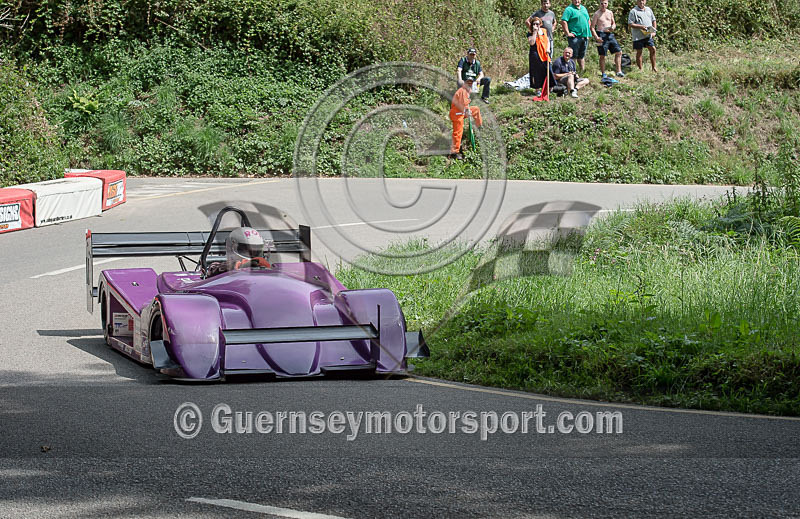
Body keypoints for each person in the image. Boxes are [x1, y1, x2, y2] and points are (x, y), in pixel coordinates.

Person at [449, 72, 483, 159]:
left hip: (462, 112)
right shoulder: (462, 91)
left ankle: (479, 127)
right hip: (456, 114)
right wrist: (467, 110)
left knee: (475, 109)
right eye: (468, 82)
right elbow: (463, 104)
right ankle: (454, 152)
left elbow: (466, 104)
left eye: (472, 82)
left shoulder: (468, 90)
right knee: (458, 132)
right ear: (465, 82)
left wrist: (467, 110)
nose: (470, 84)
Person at [590, 0, 624, 77]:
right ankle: (603, 73)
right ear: (599, 4)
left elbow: (613, 23)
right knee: (602, 55)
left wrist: (613, 27)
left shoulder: (610, 12)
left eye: (605, 3)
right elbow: (592, 27)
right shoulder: (597, 14)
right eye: (602, 3)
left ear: (607, 4)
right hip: (600, 34)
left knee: (619, 52)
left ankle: (619, 71)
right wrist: (596, 37)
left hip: (610, 34)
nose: (603, 5)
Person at [560, 0, 591, 72]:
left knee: (581, 56)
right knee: (573, 56)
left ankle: (582, 72)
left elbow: (588, 20)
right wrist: (567, 33)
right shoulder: (569, 9)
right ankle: (572, 72)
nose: (577, 1)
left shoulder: (583, 8)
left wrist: (588, 30)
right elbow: (563, 21)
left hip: (584, 36)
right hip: (575, 37)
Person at [628, 0, 657, 72]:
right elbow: (630, 24)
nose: (641, 2)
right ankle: (640, 69)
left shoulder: (648, 9)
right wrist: (641, 27)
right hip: (638, 36)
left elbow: (654, 20)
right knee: (639, 52)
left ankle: (654, 68)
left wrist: (654, 31)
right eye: (640, 0)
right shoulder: (633, 11)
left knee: (653, 49)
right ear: (637, 1)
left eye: (643, 0)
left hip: (648, 35)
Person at [527, 17, 552, 99]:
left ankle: (548, 88)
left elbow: (547, 40)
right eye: (534, 24)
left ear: (540, 24)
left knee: (547, 70)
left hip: (544, 53)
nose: (535, 25)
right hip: (535, 53)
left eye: (537, 24)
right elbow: (531, 43)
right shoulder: (530, 32)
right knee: (536, 71)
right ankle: (537, 89)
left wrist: (548, 48)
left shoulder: (544, 31)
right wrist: (534, 32)